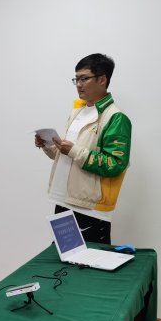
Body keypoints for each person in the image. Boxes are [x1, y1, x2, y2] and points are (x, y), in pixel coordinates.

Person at [35, 54, 131, 244]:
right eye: (76, 79)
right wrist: (47, 145)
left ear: (102, 79)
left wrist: (73, 151)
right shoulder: (77, 112)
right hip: (63, 201)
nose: (78, 84)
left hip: (89, 209)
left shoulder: (116, 118)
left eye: (84, 78)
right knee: (62, 261)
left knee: (89, 262)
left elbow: (115, 164)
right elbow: (68, 156)